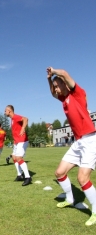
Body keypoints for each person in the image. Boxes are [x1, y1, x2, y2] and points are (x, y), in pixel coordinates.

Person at [47, 67, 96, 226]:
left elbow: (66, 75)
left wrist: (54, 71)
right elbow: (53, 94)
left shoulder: (77, 93)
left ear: (65, 85)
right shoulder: (64, 99)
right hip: (78, 142)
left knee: (82, 178)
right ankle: (70, 199)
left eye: (57, 85)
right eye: (54, 86)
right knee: (59, 172)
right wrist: (50, 79)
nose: (55, 88)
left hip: (90, 140)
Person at [4, 105, 32, 186]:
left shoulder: (16, 117)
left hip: (22, 140)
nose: (4, 112)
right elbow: (15, 131)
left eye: (5, 110)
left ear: (9, 111)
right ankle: (19, 175)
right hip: (17, 142)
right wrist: (14, 141)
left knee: (19, 158)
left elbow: (25, 119)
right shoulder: (12, 119)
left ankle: (28, 177)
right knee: (13, 157)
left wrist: (23, 128)